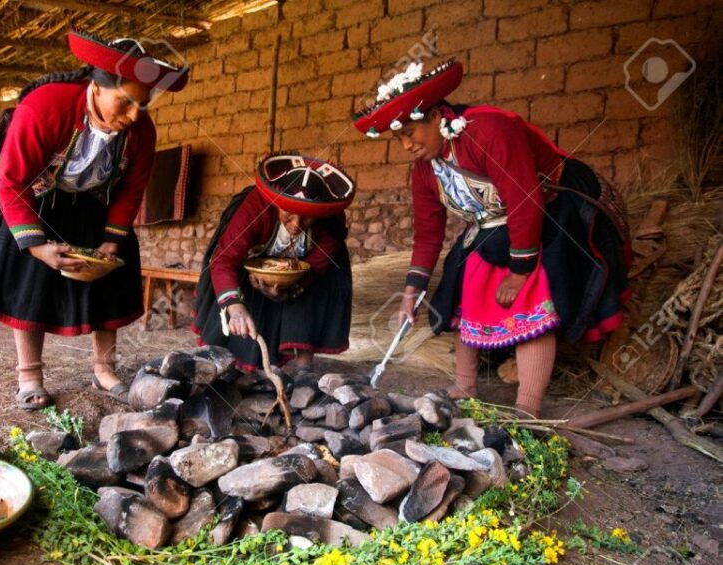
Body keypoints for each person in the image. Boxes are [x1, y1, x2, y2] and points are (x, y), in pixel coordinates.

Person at [353, 59, 630, 417]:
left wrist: (520, 271)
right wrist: (411, 292)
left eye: (410, 133)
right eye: (398, 137)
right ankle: (465, 386)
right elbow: (428, 231)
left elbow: (524, 199)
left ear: (437, 116)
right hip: (491, 223)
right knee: (466, 289)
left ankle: (527, 408)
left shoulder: (490, 131)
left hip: (547, 207)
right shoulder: (425, 169)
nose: (406, 145)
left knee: (531, 303)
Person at [0, 30, 188, 409]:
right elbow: (12, 180)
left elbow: (131, 191)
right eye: (126, 102)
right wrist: (37, 247)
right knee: (29, 274)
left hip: (89, 196)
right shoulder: (46, 107)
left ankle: (104, 371)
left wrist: (110, 242)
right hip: (26, 189)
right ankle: (30, 378)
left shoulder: (141, 131)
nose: (135, 114)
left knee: (113, 270)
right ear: (97, 87)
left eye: (144, 105)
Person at [192, 154, 356, 371]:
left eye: (306, 217)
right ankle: (235, 361)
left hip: (303, 272)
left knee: (327, 277)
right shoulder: (254, 208)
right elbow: (224, 260)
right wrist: (235, 307)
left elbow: (317, 265)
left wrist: (294, 288)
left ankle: (303, 365)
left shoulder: (329, 222)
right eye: (288, 214)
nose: (296, 225)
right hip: (250, 267)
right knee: (237, 291)